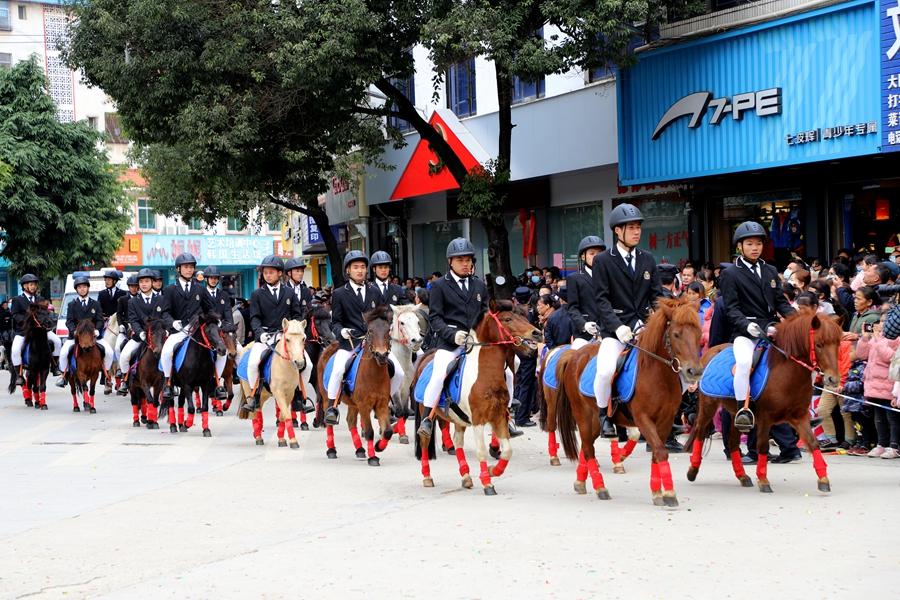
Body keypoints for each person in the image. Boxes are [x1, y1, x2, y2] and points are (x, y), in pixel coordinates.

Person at [592, 204, 662, 438]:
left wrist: (663, 318)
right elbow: (601, 300)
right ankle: (604, 414)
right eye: (631, 228)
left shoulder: (647, 259)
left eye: (638, 227)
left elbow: (656, 296)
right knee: (605, 371)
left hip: (644, 327)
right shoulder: (603, 260)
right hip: (616, 330)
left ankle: (672, 416)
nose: (636, 232)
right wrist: (617, 326)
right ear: (617, 231)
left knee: (670, 364)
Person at [718, 221, 796, 432]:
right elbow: (731, 309)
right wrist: (747, 325)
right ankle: (743, 410)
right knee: (744, 363)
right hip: (746, 332)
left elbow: (780, 302)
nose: (755, 248)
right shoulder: (730, 273)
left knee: (796, 359)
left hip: (771, 327)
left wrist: (797, 319)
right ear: (740, 246)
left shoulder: (770, 270)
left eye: (759, 244)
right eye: (750, 244)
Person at [416, 239, 490, 438]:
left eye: (468, 260)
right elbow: (435, 318)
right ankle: (427, 417)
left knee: (509, 368)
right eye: (460, 260)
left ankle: (507, 415)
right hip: (450, 343)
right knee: (439, 373)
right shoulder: (438, 286)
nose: (465, 264)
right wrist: (453, 335)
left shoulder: (479, 285)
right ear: (450, 262)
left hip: (476, 343)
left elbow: (486, 315)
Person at [322, 251, 405, 425]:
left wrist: (387, 328)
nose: (360, 270)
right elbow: (335, 322)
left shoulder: (374, 291)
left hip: (374, 343)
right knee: (338, 371)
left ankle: (385, 402)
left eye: (362, 267)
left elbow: (382, 317)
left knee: (399, 372)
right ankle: (332, 407)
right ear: (348, 270)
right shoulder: (339, 293)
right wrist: (342, 331)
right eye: (355, 267)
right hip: (350, 343)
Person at [242, 255, 305, 411]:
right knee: (253, 363)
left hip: (286, 337)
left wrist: (295, 329)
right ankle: (254, 396)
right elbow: (254, 318)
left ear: (279, 273)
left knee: (308, 364)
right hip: (266, 336)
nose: (268, 275)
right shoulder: (257, 294)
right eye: (265, 273)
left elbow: (297, 315)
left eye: (271, 272)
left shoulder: (289, 293)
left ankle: (299, 395)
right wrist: (260, 333)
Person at [158, 253, 217, 401]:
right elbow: (165, 313)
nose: (189, 270)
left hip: (197, 330)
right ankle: (168, 383)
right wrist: (173, 323)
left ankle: (216, 383)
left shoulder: (200, 289)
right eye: (186, 267)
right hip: (179, 330)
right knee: (166, 352)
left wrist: (215, 320)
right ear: (178, 269)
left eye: (191, 267)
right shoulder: (170, 289)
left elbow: (210, 309)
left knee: (218, 350)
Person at [57, 275, 115, 387]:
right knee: (63, 353)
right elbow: (69, 321)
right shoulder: (72, 305)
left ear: (88, 288)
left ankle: (106, 375)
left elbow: (100, 320)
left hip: (93, 336)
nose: (82, 289)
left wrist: (97, 330)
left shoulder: (95, 304)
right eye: (79, 287)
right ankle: (64, 376)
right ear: (76, 290)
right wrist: (74, 331)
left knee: (109, 352)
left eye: (84, 287)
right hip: (76, 336)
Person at [856, 313, 900, 458]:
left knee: (892, 418)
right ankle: (881, 444)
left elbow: (892, 357)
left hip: (888, 384)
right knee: (879, 417)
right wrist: (865, 339)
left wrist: (879, 341)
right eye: (880, 321)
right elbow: (861, 355)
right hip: (873, 385)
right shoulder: (876, 338)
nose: (881, 324)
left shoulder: (895, 338)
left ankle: (894, 446)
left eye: (885, 321)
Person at [11, 273, 62, 385]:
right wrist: (27, 321)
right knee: (15, 350)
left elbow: (45, 313)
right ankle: (19, 375)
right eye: (31, 284)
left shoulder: (40, 299)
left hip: (40, 330)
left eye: (34, 284)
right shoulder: (17, 300)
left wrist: (47, 321)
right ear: (25, 286)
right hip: (24, 331)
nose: (33, 287)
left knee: (57, 341)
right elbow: (15, 314)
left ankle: (55, 366)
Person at [118, 268, 163, 385]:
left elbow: (164, 317)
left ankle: (170, 383)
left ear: (152, 282)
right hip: (140, 337)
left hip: (157, 337)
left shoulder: (161, 299)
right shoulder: (132, 302)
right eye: (141, 282)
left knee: (171, 353)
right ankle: (125, 380)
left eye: (147, 281)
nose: (144, 284)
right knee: (124, 356)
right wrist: (140, 332)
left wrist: (165, 330)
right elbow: (133, 320)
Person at [565, 236, 604, 350]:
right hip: (585, 334)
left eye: (599, 253)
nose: (596, 256)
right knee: (575, 356)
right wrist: (583, 324)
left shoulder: (609, 277)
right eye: (592, 253)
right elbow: (572, 308)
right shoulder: (574, 278)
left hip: (607, 331)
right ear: (583, 256)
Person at [202, 265, 233, 397]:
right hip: (207, 331)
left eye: (216, 278)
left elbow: (228, 315)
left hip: (222, 330)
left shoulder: (224, 295)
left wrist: (225, 326)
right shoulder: (201, 294)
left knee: (236, 351)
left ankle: (232, 376)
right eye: (211, 278)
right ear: (206, 279)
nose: (214, 280)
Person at [113, 275, 140, 395]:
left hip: (138, 328)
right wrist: (121, 325)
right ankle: (122, 371)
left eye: (135, 286)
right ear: (128, 287)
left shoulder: (140, 298)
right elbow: (119, 314)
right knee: (117, 347)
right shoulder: (123, 299)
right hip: (126, 327)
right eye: (131, 286)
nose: (133, 288)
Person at [97, 269, 126, 336]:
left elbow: (125, 309)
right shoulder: (101, 293)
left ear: (114, 281)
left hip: (118, 322)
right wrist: (102, 317)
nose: (106, 282)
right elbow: (98, 309)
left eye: (109, 280)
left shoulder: (122, 293)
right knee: (99, 335)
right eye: (105, 280)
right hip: (106, 322)